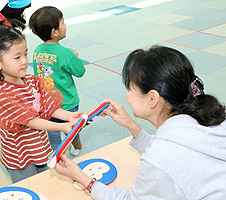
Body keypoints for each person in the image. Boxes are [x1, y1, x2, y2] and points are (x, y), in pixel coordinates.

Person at [54, 46, 226, 199]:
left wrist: (82, 178)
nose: (127, 95)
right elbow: (178, 154)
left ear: (152, 98)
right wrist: (131, 125)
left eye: (129, 88)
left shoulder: (159, 159)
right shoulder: (209, 119)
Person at [0, 24, 83, 183]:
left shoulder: (31, 82)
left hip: (40, 146)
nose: (25, 61)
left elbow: (48, 107)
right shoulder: (2, 96)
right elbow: (31, 121)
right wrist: (61, 126)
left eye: (25, 54)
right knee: (29, 187)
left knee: (46, 182)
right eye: (17, 57)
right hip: (21, 158)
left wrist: (69, 115)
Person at [29, 6, 86, 156]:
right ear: (55, 32)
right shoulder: (66, 53)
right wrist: (75, 57)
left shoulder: (37, 51)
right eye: (63, 22)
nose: (65, 25)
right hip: (68, 102)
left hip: (47, 103)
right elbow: (80, 71)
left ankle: (58, 154)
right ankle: (77, 147)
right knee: (73, 128)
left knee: (53, 131)